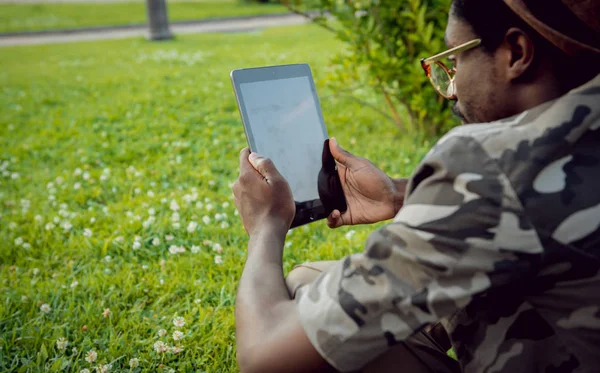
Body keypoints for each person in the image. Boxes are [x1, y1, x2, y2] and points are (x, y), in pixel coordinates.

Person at [231, 0, 600, 372]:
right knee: (308, 280)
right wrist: (399, 196)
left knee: (297, 301)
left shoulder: (488, 165)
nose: (451, 88)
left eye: (455, 61)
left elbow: (264, 356)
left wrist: (266, 225)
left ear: (516, 52)